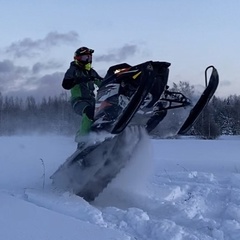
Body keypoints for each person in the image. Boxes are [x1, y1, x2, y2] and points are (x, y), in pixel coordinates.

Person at [62, 47, 103, 144]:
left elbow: (102, 83)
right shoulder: (73, 70)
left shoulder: (91, 72)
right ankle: (82, 141)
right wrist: (78, 79)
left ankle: (100, 134)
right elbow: (66, 84)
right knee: (89, 112)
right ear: (78, 59)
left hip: (93, 101)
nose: (88, 60)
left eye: (89, 58)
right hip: (78, 102)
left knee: (105, 112)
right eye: (85, 58)